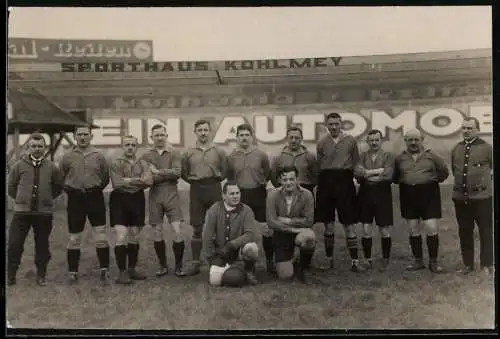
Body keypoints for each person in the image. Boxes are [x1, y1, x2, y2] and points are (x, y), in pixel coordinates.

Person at [7, 133, 64, 286]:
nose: (37, 149)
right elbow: (11, 187)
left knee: (42, 245)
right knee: (14, 244)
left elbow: (58, 187)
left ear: (44, 148)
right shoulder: (18, 165)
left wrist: (46, 199)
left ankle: (41, 275)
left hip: (43, 214)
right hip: (22, 213)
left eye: (40, 146)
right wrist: (21, 199)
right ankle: (10, 275)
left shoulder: (52, 167)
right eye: (34, 146)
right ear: (28, 147)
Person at [60, 125, 111, 285]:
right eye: (79, 134)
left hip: (94, 196)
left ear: (91, 136)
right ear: (75, 136)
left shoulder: (99, 156)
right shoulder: (67, 156)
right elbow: (62, 177)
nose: (83, 137)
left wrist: (93, 189)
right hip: (75, 198)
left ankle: (104, 270)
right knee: (74, 237)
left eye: (86, 134)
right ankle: (72, 272)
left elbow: (104, 178)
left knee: (101, 235)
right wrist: (74, 190)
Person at [393, 129, 449, 273]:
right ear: (405, 141)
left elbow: (444, 171)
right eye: (410, 140)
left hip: (429, 194)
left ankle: (433, 262)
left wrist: (430, 181)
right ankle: (418, 261)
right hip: (408, 194)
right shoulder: (399, 158)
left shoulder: (432, 155)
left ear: (422, 139)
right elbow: (395, 176)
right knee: (413, 228)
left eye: (416, 140)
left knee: (431, 227)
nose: (413, 143)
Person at [316, 112, 363, 272]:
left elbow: (356, 163)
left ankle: (355, 262)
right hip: (326, 182)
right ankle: (329, 261)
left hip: (344, 181)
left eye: (336, 123)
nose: (334, 127)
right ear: (326, 125)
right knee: (328, 224)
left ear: (341, 124)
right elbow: (319, 165)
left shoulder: (350, 141)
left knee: (348, 224)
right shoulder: (322, 143)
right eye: (331, 124)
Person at [182, 119, 228, 276]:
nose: (203, 133)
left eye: (205, 130)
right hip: (196, 189)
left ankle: (217, 259)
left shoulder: (219, 151)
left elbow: (225, 171)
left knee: (217, 225)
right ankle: (196, 261)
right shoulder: (188, 152)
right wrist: (197, 181)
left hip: (214, 187)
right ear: (195, 132)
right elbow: (184, 173)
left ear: (210, 132)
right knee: (197, 227)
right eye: (200, 130)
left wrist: (212, 181)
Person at [227, 123, 274, 275]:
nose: (244, 138)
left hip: (258, 193)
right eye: (241, 135)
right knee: (240, 230)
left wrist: (258, 183)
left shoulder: (261, 155)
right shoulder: (231, 157)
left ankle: (270, 262)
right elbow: (229, 177)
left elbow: (267, 174)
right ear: (237, 138)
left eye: (247, 135)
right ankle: (244, 263)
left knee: (266, 229)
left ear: (252, 137)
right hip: (239, 195)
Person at [140, 125, 187, 277]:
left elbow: (177, 173)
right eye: (156, 135)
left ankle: (179, 266)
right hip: (155, 195)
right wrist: (160, 175)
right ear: (151, 137)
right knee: (157, 231)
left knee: (177, 231)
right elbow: (147, 178)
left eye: (162, 135)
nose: (159, 138)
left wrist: (158, 172)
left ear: (166, 135)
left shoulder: (174, 153)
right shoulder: (146, 156)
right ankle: (163, 265)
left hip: (171, 193)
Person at [451, 117, 494, 276]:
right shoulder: (456, 148)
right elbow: (454, 169)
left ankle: (487, 265)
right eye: (463, 128)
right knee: (465, 231)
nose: (466, 131)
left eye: (469, 128)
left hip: (482, 198)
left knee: (485, 230)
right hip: (461, 199)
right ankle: (468, 264)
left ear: (477, 129)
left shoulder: (487, 147)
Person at [109, 135, 153, 284]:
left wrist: (130, 180)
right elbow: (117, 184)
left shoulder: (142, 163)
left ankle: (132, 269)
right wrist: (138, 181)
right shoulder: (116, 163)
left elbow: (149, 181)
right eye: (127, 145)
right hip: (119, 200)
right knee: (121, 235)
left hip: (137, 199)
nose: (130, 147)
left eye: (133, 145)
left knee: (134, 235)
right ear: (122, 146)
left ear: (136, 147)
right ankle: (122, 272)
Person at [203, 181, 260, 287]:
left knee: (252, 248)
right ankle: (229, 271)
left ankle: (248, 269)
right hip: (221, 254)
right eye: (232, 193)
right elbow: (207, 236)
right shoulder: (215, 209)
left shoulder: (246, 210)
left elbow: (250, 234)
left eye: (237, 193)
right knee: (215, 281)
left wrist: (231, 245)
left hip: (239, 253)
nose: (235, 196)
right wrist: (211, 258)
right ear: (223, 195)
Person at [266, 165, 316, 283]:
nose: (288, 183)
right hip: (282, 234)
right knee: (285, 275)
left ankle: (302, 266)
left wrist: (288, 221)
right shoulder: (272, 195)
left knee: (309, 237)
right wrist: (294, 229)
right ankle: (291, 260)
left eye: (291, 179)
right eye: (285, 179)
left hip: (300, 233)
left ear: (297, 179)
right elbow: (271, 222)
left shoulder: (307, 194)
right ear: (279, 180)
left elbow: (309, 221)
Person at [354, 129, 395, 271]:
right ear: (367, 142)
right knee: (366, 229)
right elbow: (358, 173)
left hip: (383, 194)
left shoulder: (388, 156)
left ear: (381, 140)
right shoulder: (362, 156)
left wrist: (367, 174)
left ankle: (386, 259)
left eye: (377, 140)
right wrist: (378, 171)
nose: (374, 143)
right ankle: (368, 259)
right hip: (365, 194)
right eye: (371, 140)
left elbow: (388, 175)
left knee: (384, 229)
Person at [271, 125, 318, 195]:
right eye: (291, 137)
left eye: (297, 138)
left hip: (304, 190)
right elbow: (273, 176)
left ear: (301, 139)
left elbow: (315, 176)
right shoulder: (278, 156)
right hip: (284, 191)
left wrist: (306, 188)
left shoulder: (310, 156)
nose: (293, 140)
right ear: (287, 139)